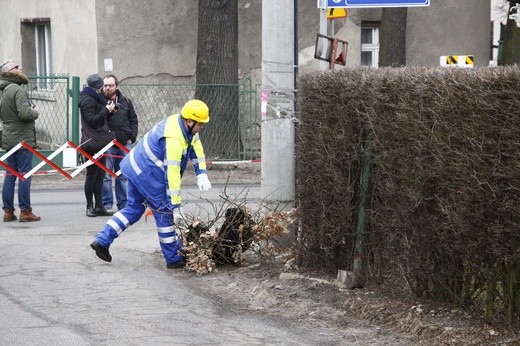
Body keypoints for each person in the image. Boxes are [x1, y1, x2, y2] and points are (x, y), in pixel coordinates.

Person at [90, 99, 212, 269]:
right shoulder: (174, 139)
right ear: (190, 121)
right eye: (201, 124)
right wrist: (175, 206)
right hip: (148, 174)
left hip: (134, 167)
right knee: (165, 212)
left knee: (133, 209)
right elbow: (172, 174)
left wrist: (202, 173)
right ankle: (173, 258)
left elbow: (196, 149)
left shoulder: (183, 125)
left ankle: (102, 241)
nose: (203, 126)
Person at [0, 59, 41, 222]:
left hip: (8, 138)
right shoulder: (17, 90)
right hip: (22, 139)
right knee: (25, 174)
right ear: (9, 72)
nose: (20, 68)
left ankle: (8, 211)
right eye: (16, 67)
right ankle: (25, 211)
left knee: (10, 174)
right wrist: (35, 112)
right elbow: (24, 114)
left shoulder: (3, 91)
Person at [79, 74, 115, 218]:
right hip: (91, 142)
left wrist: (110, 111)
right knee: (92, 175)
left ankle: (99, 206)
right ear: (98, 86)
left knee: (100, 175)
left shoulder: (96, 98)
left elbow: (102, 119)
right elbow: (93, 120)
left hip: (100, 141)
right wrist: (106, 110)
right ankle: (89, 206)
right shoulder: (88, 100)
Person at [101, 74, 138, 211]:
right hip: (108, 143)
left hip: (124, 142)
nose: (108, 88)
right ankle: (107, 204)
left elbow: (133, 119)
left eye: (110, 85)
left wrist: (132, 136)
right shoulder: (100, 102)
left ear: (116, 86)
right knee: (106, 175)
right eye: (105, 85)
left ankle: (123, 204)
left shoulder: (126, 101)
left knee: (122, 175)